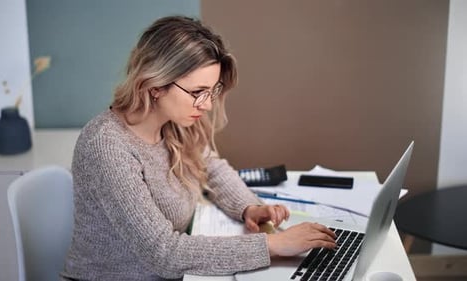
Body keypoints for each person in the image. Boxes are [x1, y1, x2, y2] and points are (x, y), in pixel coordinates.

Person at [60, 15, 336, 281]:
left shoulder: (174, 122)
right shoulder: (107, 146)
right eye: (197, 92)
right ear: (156, 85)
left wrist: (249, 208)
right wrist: (272, 245)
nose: (206, 104)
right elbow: (165, 254)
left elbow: (212, 167)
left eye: (212, 91)